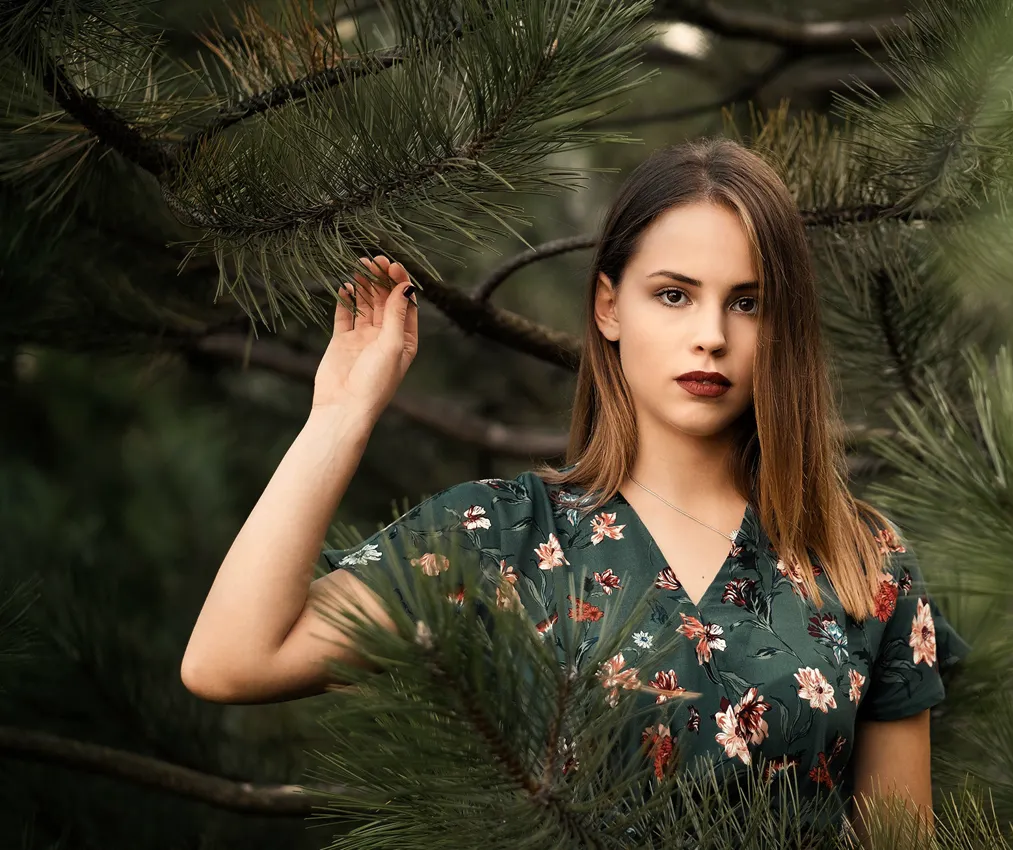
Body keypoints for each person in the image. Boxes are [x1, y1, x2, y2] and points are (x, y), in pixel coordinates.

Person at [181, 137, 964, 834]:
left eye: (748, 303)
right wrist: (341, 415)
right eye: (674, 294)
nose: (712, 335)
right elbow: (233, 659)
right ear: (608, 305)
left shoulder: (863, 560)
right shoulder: (500, 538)